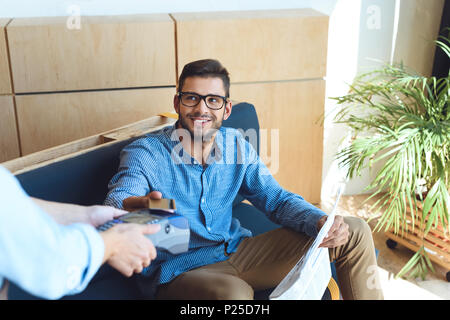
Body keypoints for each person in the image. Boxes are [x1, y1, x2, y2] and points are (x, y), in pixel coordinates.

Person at [104, 59, 384, 300]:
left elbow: (276, 199)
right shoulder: (146, 152)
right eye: (192, 98)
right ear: (178, 102)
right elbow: (117, 200)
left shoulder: (236, 145)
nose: (202, 109)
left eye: (213, 100)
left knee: (354, 230)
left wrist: (319, 221)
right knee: (235, 293)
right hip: (180, 269)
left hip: (238, 251)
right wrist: (139, 205)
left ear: (226, 110)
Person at [0, 165, 160, 300]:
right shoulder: (146, 152)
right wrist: (113, 243)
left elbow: (13, 206)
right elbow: (53, 265)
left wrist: (86, 215)